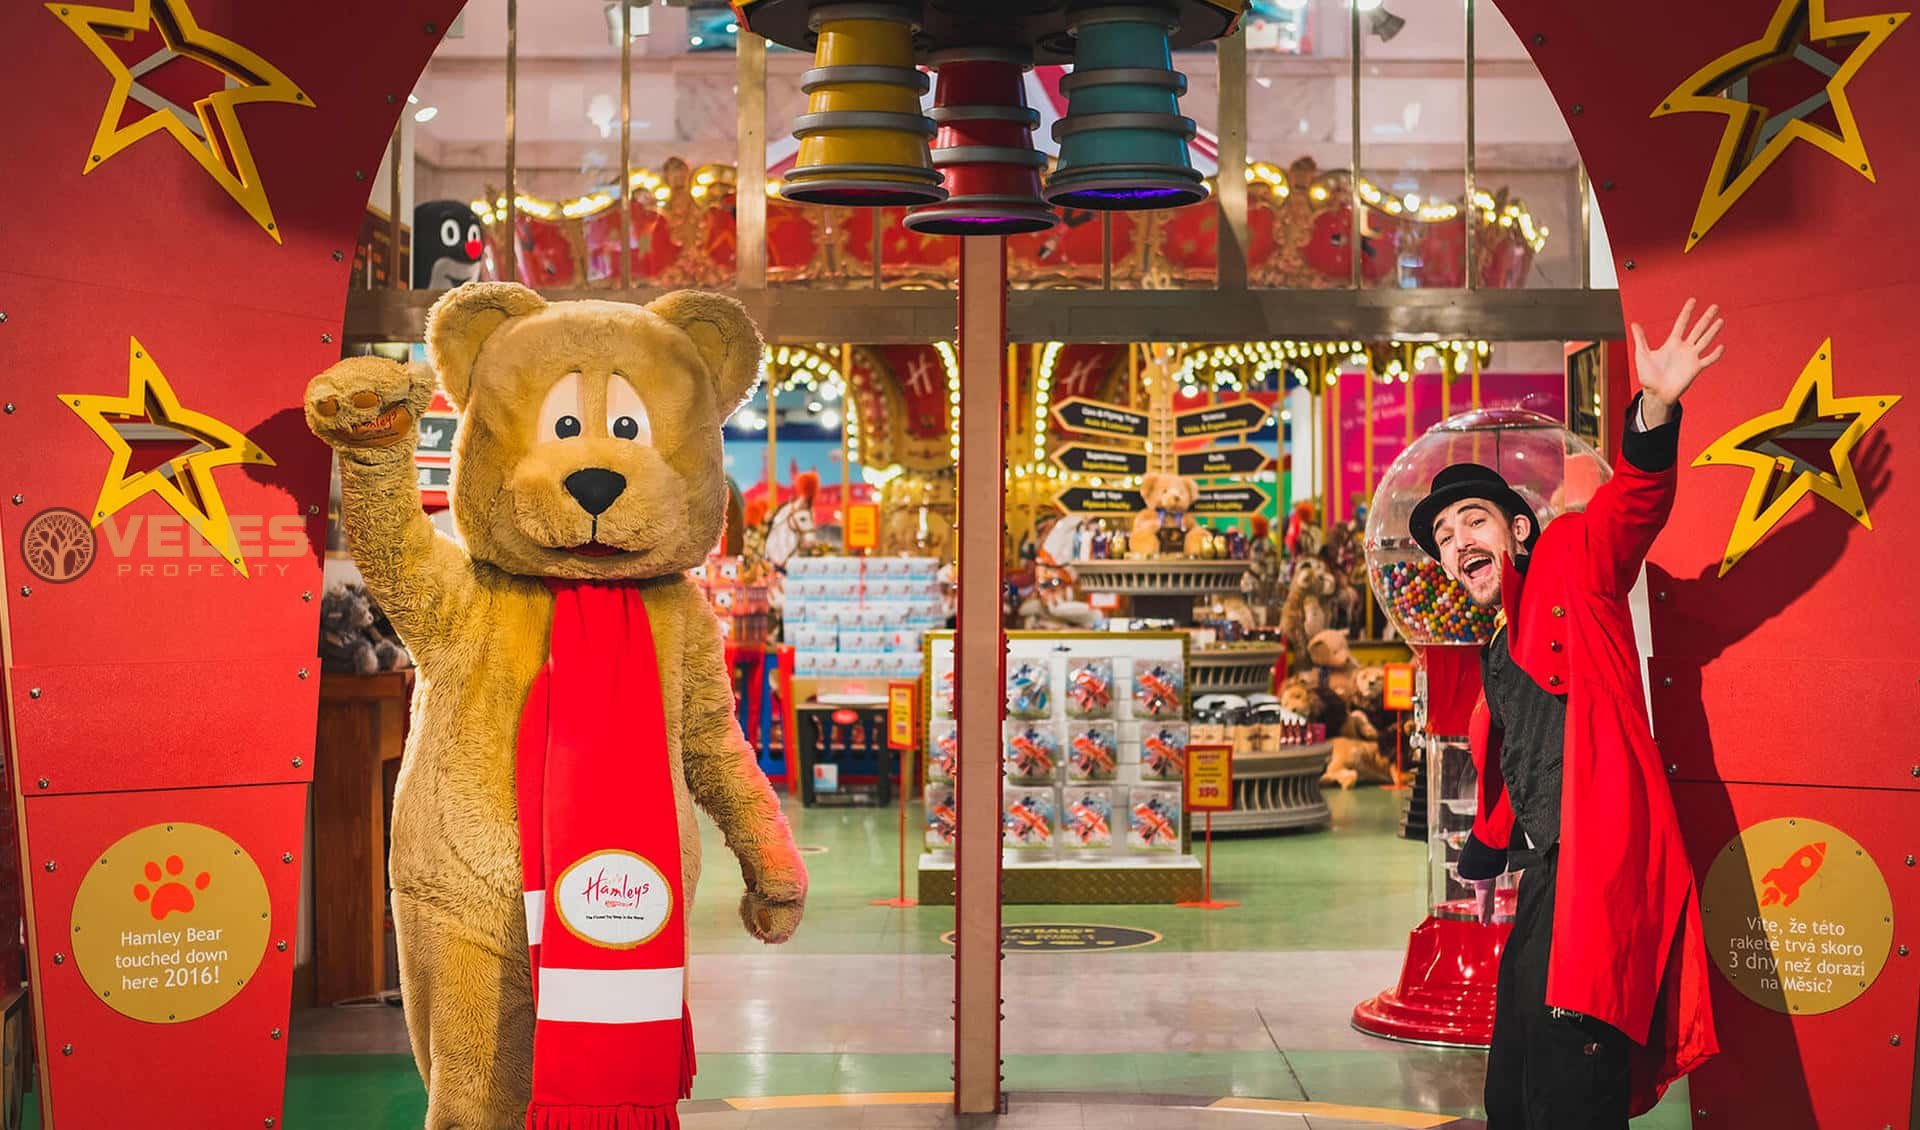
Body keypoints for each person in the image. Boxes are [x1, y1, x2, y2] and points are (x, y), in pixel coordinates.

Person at [1406, 300, 1724, 1128]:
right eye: (1443, 535)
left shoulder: (1573, 558)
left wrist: (1655, 410)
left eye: (1472, 520)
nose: (1456, 542)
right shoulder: (1496, 648)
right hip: (1547, 877)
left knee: (1569, 1090)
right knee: (1510, 1088)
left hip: (1601, 870)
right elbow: (1524, 758)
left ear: (1516, 528)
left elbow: (1635, 509)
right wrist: (1486, 844)